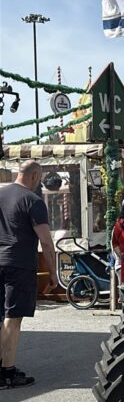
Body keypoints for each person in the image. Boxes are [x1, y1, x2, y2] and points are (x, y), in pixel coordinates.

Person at [0, 160, 58, 388]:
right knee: (13, 318)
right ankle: (7, 372)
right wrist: (53, 272)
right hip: (19, 264)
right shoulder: (32, 201)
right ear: (34, 176)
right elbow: (46, 241)